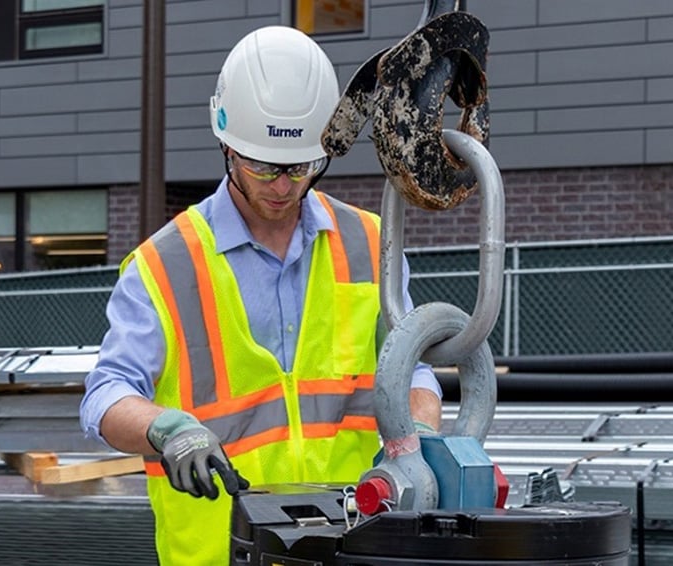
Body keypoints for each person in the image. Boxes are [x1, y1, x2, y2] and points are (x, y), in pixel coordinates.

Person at [79, 25, 442, 566]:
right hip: (220, 551)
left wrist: (417, 441)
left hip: (357, 547)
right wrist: (166, 429)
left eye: (300, 167)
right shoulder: (166, 265)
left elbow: (413, 370)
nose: (283, 185)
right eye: (264, 165)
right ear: (227, 143)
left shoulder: (370, 245)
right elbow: (104, 396)